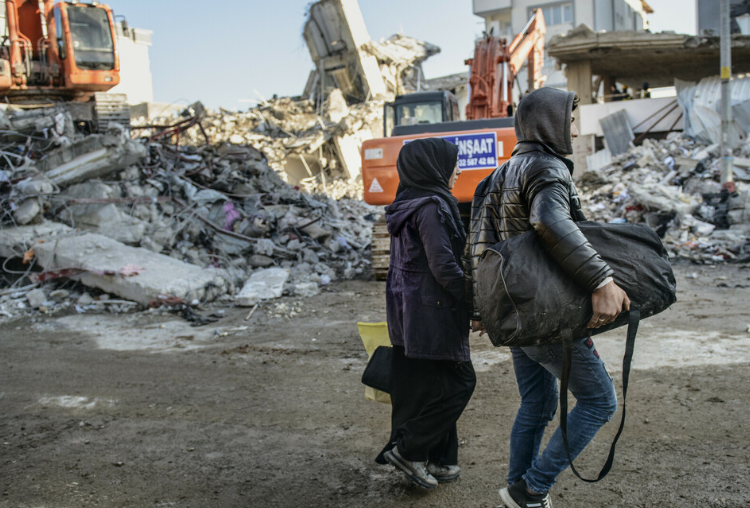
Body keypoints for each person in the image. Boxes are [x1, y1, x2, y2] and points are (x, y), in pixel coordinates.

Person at [464, 88, 630, 508]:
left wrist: (478, 307)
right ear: (550, 123)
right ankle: (533, 487)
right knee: (599, 401)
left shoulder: (495, 176)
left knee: (536, 404)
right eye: (569, 122)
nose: (573, 130)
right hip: (546, 314)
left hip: (515, 316)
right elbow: (550, 221)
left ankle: (521, 492)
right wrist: (601, 281)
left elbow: (477, 245)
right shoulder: (546, 168)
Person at [375, 137, 476, 490]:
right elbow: (444, 266)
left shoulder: (406, 204)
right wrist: (473, 301)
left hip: (409, 313)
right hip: (432, 313)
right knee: (460, 382)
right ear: (434, 167)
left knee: (429, 386)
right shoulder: (432, 207)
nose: (458, 170)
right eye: (453, 163)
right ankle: (410, 450)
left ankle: (441, 459)